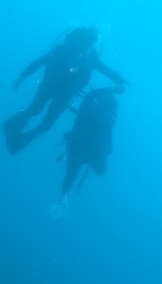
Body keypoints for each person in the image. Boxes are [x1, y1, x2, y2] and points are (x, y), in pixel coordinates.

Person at [3, 28, 126, 155]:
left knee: (40, 117)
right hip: (54, 88)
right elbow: (40, 61)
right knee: (39, 116)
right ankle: (13, 136)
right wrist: (22, 77)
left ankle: (14, 138)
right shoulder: (68, 52)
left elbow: (106, 70)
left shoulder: (85, 56)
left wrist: (122, 82)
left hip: (59, 90)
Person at [48, 85, 124, 218]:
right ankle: (63, 196)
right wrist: (112, 90)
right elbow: (108, 137)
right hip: (83, 149)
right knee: (71, 177)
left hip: (83, 149)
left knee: (71, 177)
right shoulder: (96, 112)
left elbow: (108, 136)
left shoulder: (92, 111)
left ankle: (63, 196)